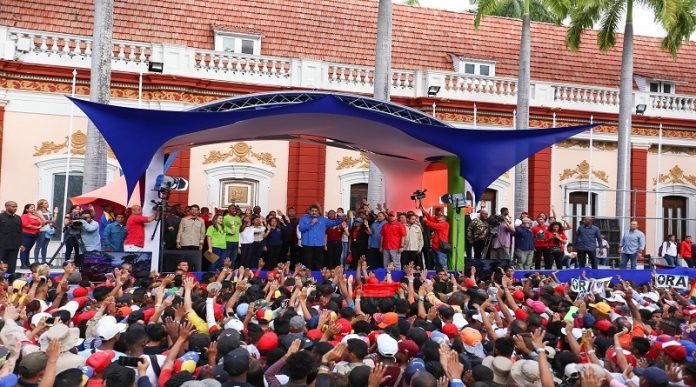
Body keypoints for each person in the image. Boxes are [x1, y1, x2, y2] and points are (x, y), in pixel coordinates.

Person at [298, 204, 343, 270]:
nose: (314, 212)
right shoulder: (304, 219)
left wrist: (340, 217)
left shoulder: (323, 219)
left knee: (318, 263)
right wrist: (311, 224)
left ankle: (318, 277)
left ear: (318, 211)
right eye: (312, 211)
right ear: (309, 211)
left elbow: (334, 223)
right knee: (307, 263)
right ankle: (308, 278)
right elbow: (301, 228)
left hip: (319, 244)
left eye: (316, 211)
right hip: (307, 244)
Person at [422, 205, 450, 270]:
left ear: (444, 219)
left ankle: (445, 274)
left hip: (440, 246)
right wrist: (424, 212)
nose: (438, 216)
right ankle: (439, 274)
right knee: (436, 262)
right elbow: (431, 219)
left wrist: (426, 221)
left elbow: (433, 224)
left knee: (441, 262)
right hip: (436, 246)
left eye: (440, 216)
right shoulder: (439, 222)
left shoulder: (445, 224)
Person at [34, 199, 58, 264]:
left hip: (48, 230)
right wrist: (50, 221)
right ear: (41, 204)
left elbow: (53, 220)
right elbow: (44, 220)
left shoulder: (49, 211)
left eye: (47, 203)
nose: (47, 204)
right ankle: (36, 260)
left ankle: (43, 260)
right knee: (38, 245)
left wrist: (55, 213)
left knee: (45, 246)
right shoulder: (39, 211)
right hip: (42, 230)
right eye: (45, 203)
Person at [0, 201, 22, 273]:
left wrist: (21, 244)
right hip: (2, 246)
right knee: (2, 266)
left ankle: (10, 280)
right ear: (6, 207)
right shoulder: (1, 217)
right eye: (13, 206)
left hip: (14, 246)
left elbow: (20, 232)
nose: (15, 208)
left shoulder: (18, 218)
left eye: (16, 207)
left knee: (12, 266)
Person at [19, 203, 42, 269]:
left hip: (34, 234)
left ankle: (27, 263)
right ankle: (23, 264)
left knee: (28, 249)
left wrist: (39, 216)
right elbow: (26, 224)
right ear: (27, 209)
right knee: (24, 249)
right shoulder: (24, 216)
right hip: (26, 234)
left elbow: (41, 223)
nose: (33, 209)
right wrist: (37, 227)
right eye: (31, 208)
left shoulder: (35, 216)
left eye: (34, 207)